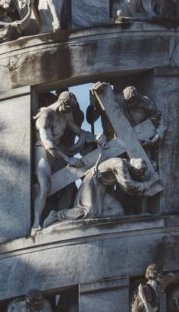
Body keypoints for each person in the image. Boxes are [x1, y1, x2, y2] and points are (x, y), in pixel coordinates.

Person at [32, 91, 97, 229]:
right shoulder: (45, 116)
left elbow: (79, 131)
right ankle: (36, 223)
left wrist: (96, 137)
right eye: (67, 108)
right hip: (43, 152)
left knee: (69, 186)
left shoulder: (65, 114)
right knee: (45, 186)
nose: (68, 112)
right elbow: (48, 144)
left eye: (70, 110)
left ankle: (59, 219)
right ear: (62, 102)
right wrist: (69, 160)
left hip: (58, 152)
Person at [43, 154, 158, 226]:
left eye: (141, 172)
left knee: (117, 211)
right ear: (134, 166)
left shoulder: (126, 165)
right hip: (91, 183)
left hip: (101, 189)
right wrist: (150, 182)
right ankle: (57, 215)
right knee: (88, 212)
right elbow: (129, 186)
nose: (139, 174)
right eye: (139, 171)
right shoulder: (120, 164)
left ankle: (96, 217)